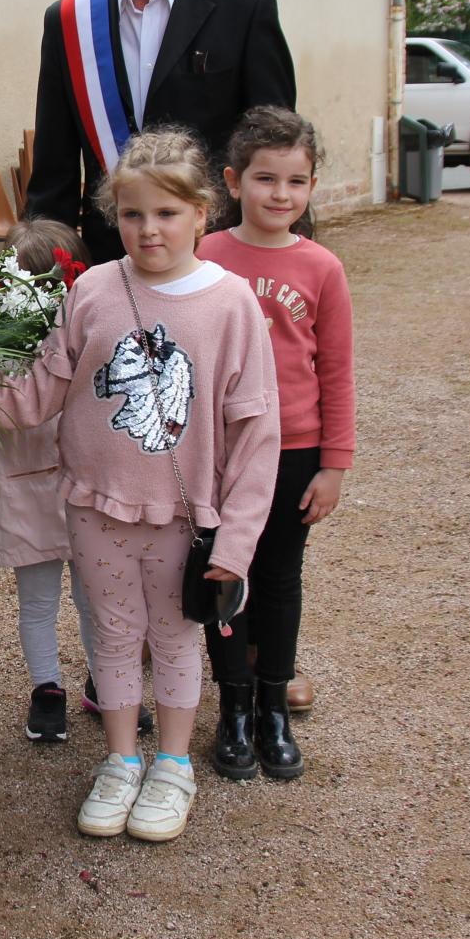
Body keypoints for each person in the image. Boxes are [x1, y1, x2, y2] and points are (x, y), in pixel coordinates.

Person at [0, 128, 279, 842]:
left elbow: (256, 434)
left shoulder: (232, 304)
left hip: (186, 517)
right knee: (114, 640)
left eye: (167, 213)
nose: (149, 230)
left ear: (203, 212)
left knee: (176, 642)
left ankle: (174, 764)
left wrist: (237, 544)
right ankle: (122, 760)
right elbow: (33, 396)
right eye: (132, 215)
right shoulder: (92, 290)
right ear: (112, 215)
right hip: (94, 508)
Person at [27, 0, 296, 264]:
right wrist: (43, 282)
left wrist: (273, 259)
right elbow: (53, 175)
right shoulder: (68, 21)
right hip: (112, 262)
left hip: (215, 260)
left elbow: (274, 148)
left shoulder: (244, 8)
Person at [196, 108, 354, 780]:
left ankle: (271, 709)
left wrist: (335, 465)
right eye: (265, 178)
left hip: (295, 450)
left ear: (312, 186)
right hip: (220, 451)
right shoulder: (204, 256)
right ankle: (231, 708)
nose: (280, 194)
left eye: (296, 180)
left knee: (281, 579)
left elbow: (337, 373)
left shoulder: (322, 268)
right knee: (224, 577)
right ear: (233, 181)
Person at [0, 218, 101, 743]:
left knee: (97, 596)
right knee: (37, 601)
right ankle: (46, 687)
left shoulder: (92, 334)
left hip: (86, 487)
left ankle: (106, 682)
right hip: (27, 486)